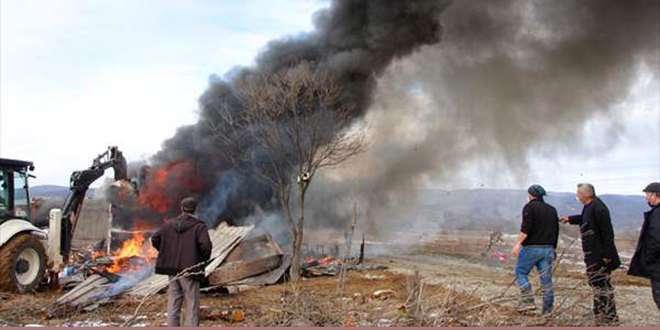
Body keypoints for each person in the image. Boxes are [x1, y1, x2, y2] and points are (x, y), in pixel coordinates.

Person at [560, 183, 620, 325]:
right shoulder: (590, 206)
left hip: (599, 255)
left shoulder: (599, 208)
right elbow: (585, 219)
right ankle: (599, 311)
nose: (577, 196)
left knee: (601, 283)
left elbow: (607, 233)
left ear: (586, 194)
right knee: (595, 282)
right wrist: (570, 219)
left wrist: (607, 255)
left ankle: (609, 315)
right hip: (593, 253)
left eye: (579, 193)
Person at [151, 197, 212, 327]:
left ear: (181, 208)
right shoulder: (199, 226)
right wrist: (202, 260)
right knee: (192, 304)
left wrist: (165, 251)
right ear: (196, 210)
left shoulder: (168, 225)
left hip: (172, 270)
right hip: (190, 270)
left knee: (173, 302)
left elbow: (155, 238)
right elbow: (205, 246)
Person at [511, 185, 559, 315]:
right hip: (548, 249)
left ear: (531, 195)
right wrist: (553, 248)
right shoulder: (552, 210)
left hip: (531, 248)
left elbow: (526, 228)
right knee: (546, 281)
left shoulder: (529, 207)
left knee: (521, 273)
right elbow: (555, 231)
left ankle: (528, 302)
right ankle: (547, 312)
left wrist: (517, 244)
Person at [628, 182, 660, 311]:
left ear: (655, 195)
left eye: (647, 194)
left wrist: (647, 259)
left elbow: (656, 240)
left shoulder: (657, 214)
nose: (646, 198)